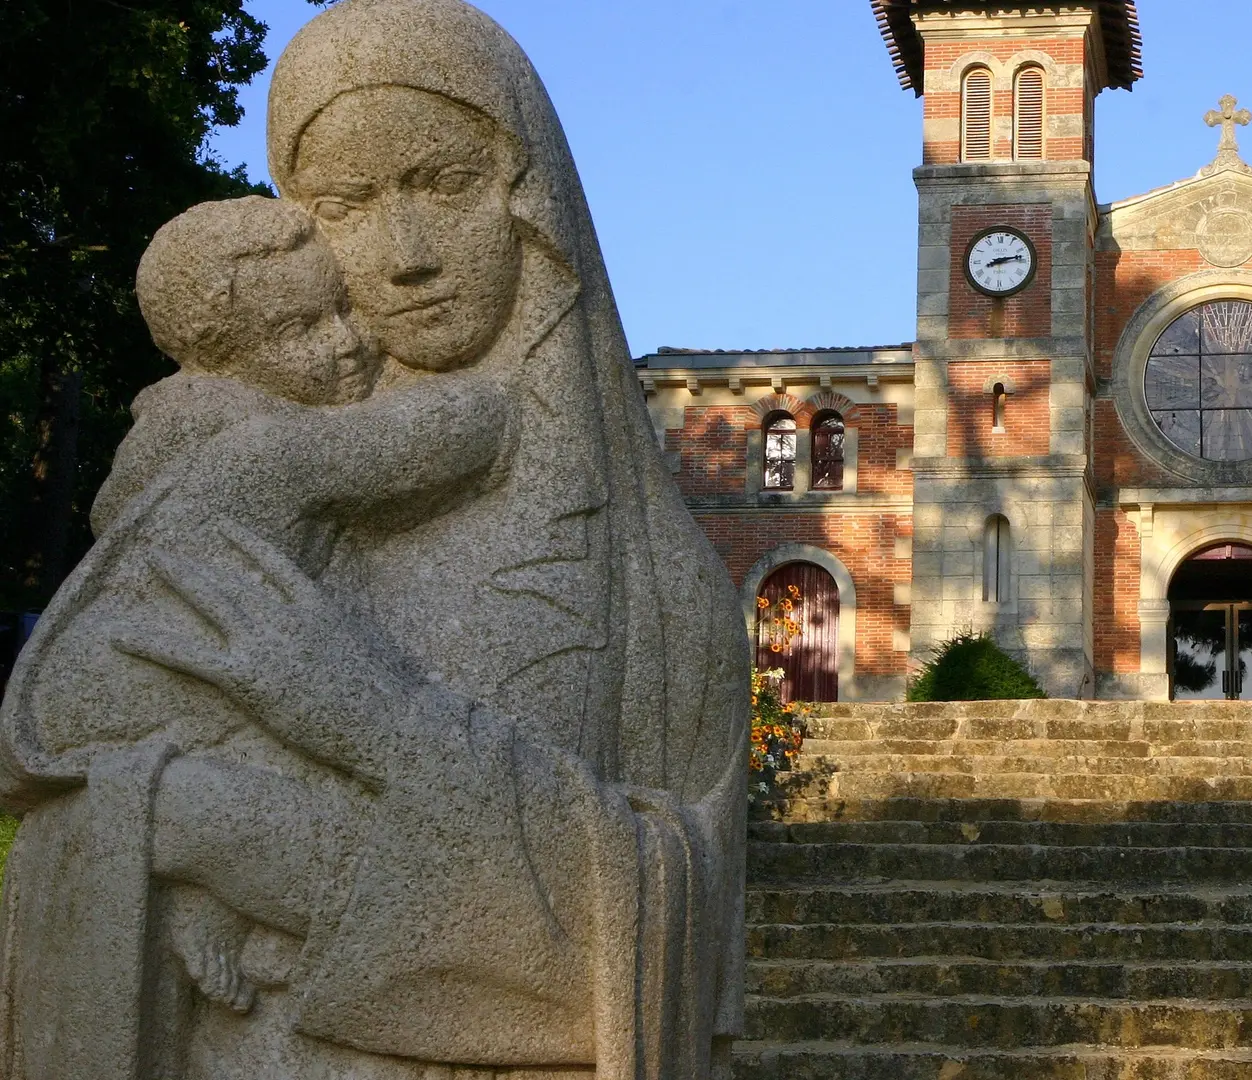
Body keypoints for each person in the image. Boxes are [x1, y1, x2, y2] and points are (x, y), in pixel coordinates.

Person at [0, 2, 747, 1077]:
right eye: (347, 205)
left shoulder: (656, 596)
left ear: (526, 196)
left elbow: (665, 927)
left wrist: (369, 716)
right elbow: (60, 743)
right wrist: (155, 822)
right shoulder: (250, 481)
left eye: (444, 185)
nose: (403, 258)